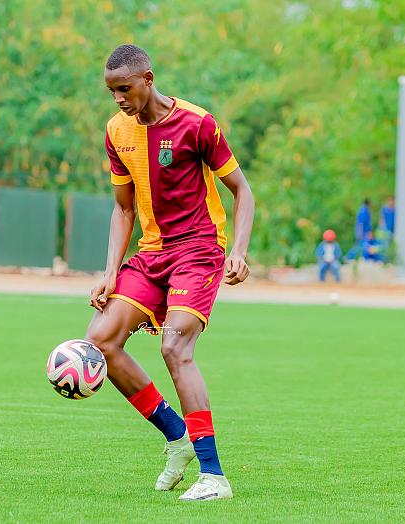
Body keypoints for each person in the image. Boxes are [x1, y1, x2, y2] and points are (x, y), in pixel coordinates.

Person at [85, 45, 254, 502]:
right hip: (152, 253)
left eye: (125, 88)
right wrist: (110, 272)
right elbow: (123, 209)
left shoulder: (197, 123)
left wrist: (238, 251)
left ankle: (214, 475)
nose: (118, 98)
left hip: (199, 249)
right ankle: (177, 437)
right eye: (112, 91)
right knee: (100, 341)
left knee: (175, 346)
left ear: (148, 78)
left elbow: (242, 191)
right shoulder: (116, 131)